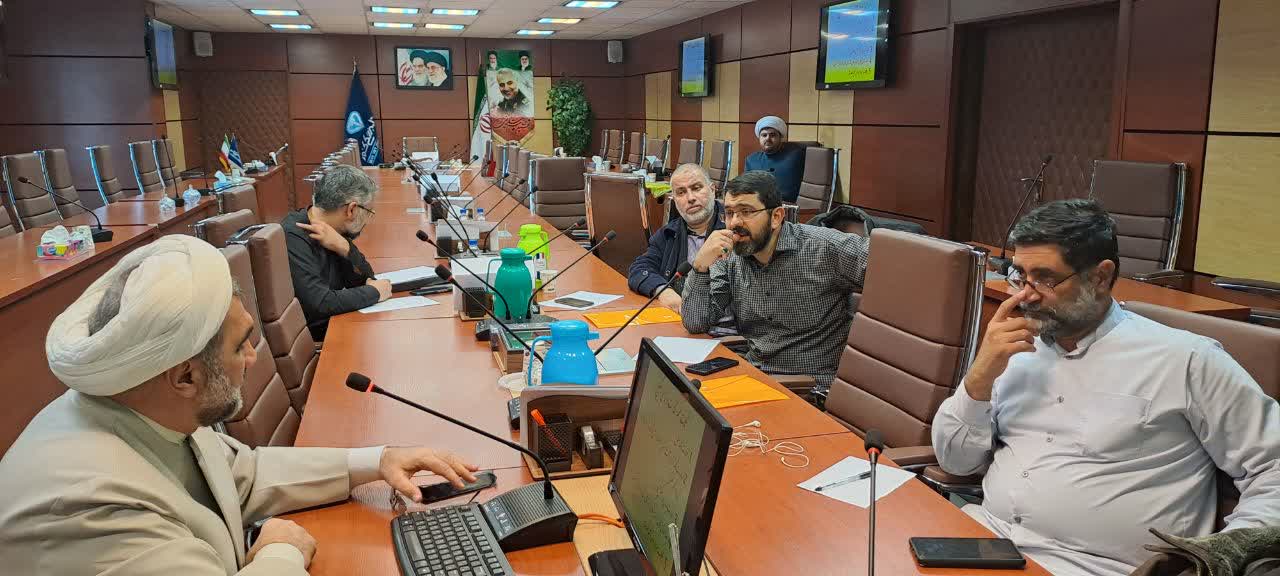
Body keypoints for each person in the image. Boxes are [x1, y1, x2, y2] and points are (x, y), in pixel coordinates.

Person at [0, 235, 480, 575]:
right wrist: (280, 552)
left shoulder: (147, 404)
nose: (254, 357)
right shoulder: (84, 507)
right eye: (240, 346)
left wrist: (379, 460)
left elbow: (241, 473)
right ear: (185, 376)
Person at [932, 199, 1280, 576]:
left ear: (1100, 277)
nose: (1025, 295)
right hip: (983, 542)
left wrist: (1228, 552)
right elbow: (955, 462)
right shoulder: (1014, 349)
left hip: (1092, 567)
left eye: (1045, 279)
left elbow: (1273, 465)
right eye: (1020, 275)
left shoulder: (1188, 360)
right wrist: (979, 380)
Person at [681, 171, 869, 395]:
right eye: (729, 213)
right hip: (754, 377)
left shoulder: (823, 248)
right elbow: (695, 323)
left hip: (809, 388)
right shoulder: (730, 256)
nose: (734, 223)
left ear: (776, 217)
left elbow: (894, 267)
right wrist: (700, 267)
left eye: (746, 212)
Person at [282, 165, 391, 341]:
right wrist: (375, 293)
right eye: (368, 212)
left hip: (337, 325)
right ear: (351, 209)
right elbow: (320, 303)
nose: (368, 220)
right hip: (319, 338)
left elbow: (365, 278)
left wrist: (344, 247)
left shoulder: (334, 231)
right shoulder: (293, 235)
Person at [628, 164, 725, 312]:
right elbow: (639, 269)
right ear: (674, 199)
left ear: (712, 190)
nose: (690, 198)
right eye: (681, 192)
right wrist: (663, 291)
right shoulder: (668, 233)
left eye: (697, 188)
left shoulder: (733, 227)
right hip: (680, 318)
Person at [743, 116, 806, 203]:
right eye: (764, 135)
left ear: (780, 137)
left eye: (772, 135)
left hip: (788, 206)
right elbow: (747, 188)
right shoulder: (751, 159)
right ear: (759, 138)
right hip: (759, 205)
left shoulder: (796, 155)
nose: (768, 138)